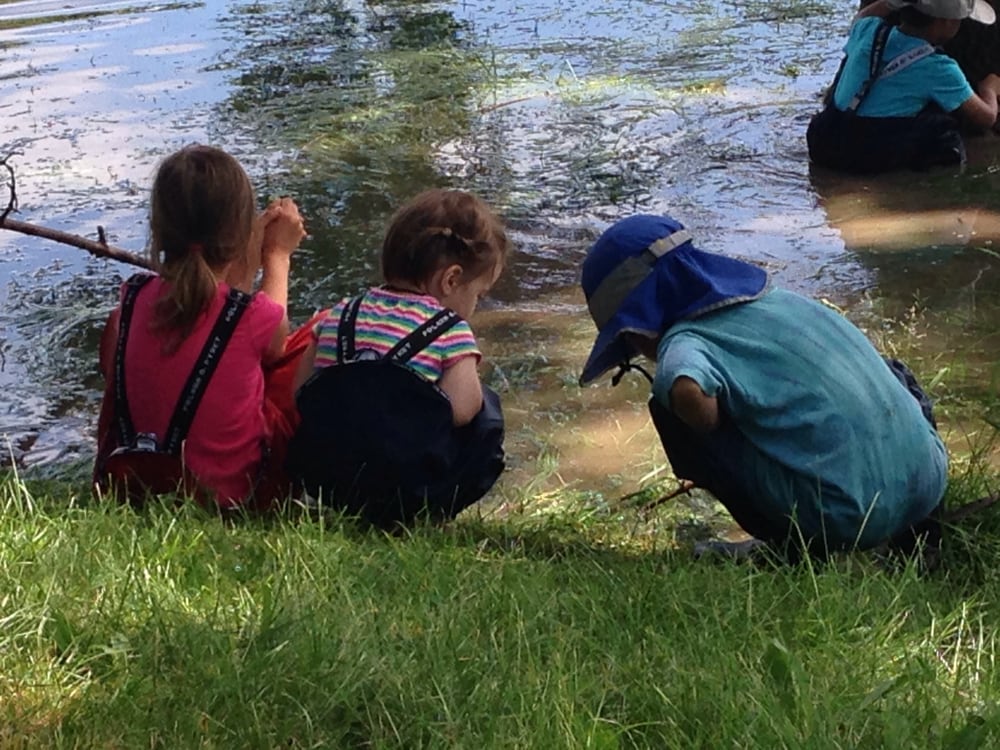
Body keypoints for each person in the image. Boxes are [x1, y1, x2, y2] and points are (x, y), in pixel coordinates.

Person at [578, 214, 948, 560]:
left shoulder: (683, 342)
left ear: (633, 327)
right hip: (931, 481)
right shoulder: (781, 300)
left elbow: (687, 387)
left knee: (668, 405)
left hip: (844, 520)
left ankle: (790, 546)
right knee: (891, 372)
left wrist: (712, 426)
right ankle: (918, 530)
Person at [94, 144, 309, 510]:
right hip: (232, 499)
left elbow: (221, 329)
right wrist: (275, 255)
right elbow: (272, 339)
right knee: (303, 347)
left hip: (134, 485)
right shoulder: (254, 318)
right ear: (240, 233)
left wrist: (243, 261)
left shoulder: (127, 306)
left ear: (159, 230)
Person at [287, 188, 508, 529]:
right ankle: (430, 516)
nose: (476, 304)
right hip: (411, 486)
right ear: (451, 279)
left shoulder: (339, 315)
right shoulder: (450, 331)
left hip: (332, 478)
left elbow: (299, 392)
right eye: (478, 294)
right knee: (486, 410)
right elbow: (463, 410)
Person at [807, 0, 1000, 173]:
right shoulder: (939, 68)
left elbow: (863, 15)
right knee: (943, 130)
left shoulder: (868, 30)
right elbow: (986, 118)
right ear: (947, 23)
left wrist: (891, 3)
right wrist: (988, 89)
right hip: (872, 154)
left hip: (824, 141)